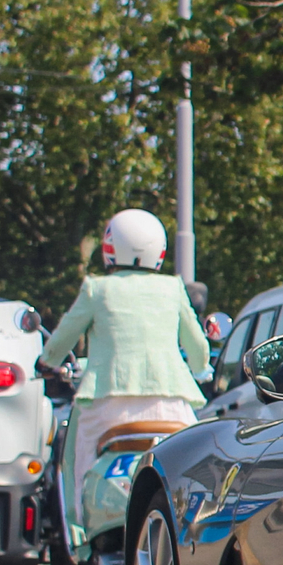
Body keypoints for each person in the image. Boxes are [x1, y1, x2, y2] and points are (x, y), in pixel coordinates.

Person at [38, 210, 212, 519]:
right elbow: (197, 346)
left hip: (107, 404)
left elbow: (63, 338)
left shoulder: (97, 289)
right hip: (170, 403)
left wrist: (46, 362)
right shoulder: (172, 289)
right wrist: (200, 371)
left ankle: (81, 531)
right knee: (193, 467)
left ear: (109, 248)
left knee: (81, 465)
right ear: (159, 252)